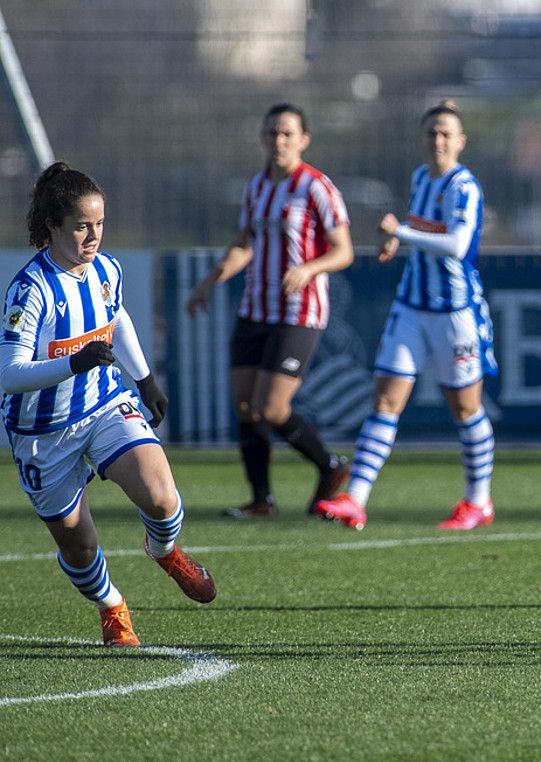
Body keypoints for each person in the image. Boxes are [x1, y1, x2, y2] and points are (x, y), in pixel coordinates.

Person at [2, 164, 216, 646]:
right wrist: (73, 364)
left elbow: (116, 316)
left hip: (102, 405)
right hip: (42, 434)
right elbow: (8, 374)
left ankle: (164, 552)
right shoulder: (31, 289)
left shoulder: (106, 269)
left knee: (162, 498)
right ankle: (112, 605)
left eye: (99, 224)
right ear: (53, 225)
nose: (93, 236)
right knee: (79, 548)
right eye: (81, 226)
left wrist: (145, 380)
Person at [314, 100, 498, 531]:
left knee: (465, 408)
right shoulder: (420, 177)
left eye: (447, 134)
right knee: (384, 399)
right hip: (411, 308)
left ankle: (479, 501)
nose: (438, 141)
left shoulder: (464, 186)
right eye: (432, 133)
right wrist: (399, 243)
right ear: (423, 139)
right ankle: (356, 499)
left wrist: (400, 232)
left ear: (461, 142)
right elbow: (423, 234)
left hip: (455, 312)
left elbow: (456, 245)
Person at [185, 103, 353, 518]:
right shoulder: (256, 187)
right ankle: (262, 499)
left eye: (287, 135)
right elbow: (245, 244)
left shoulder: (316, 187)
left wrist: (309, 268)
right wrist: (209, 282)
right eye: (272, 134)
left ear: (303, 140)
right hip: (254, 308)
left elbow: (343, 251)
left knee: (272, 408)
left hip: (299, 311)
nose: (278, 141)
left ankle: (329, 467)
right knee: (244, 405)